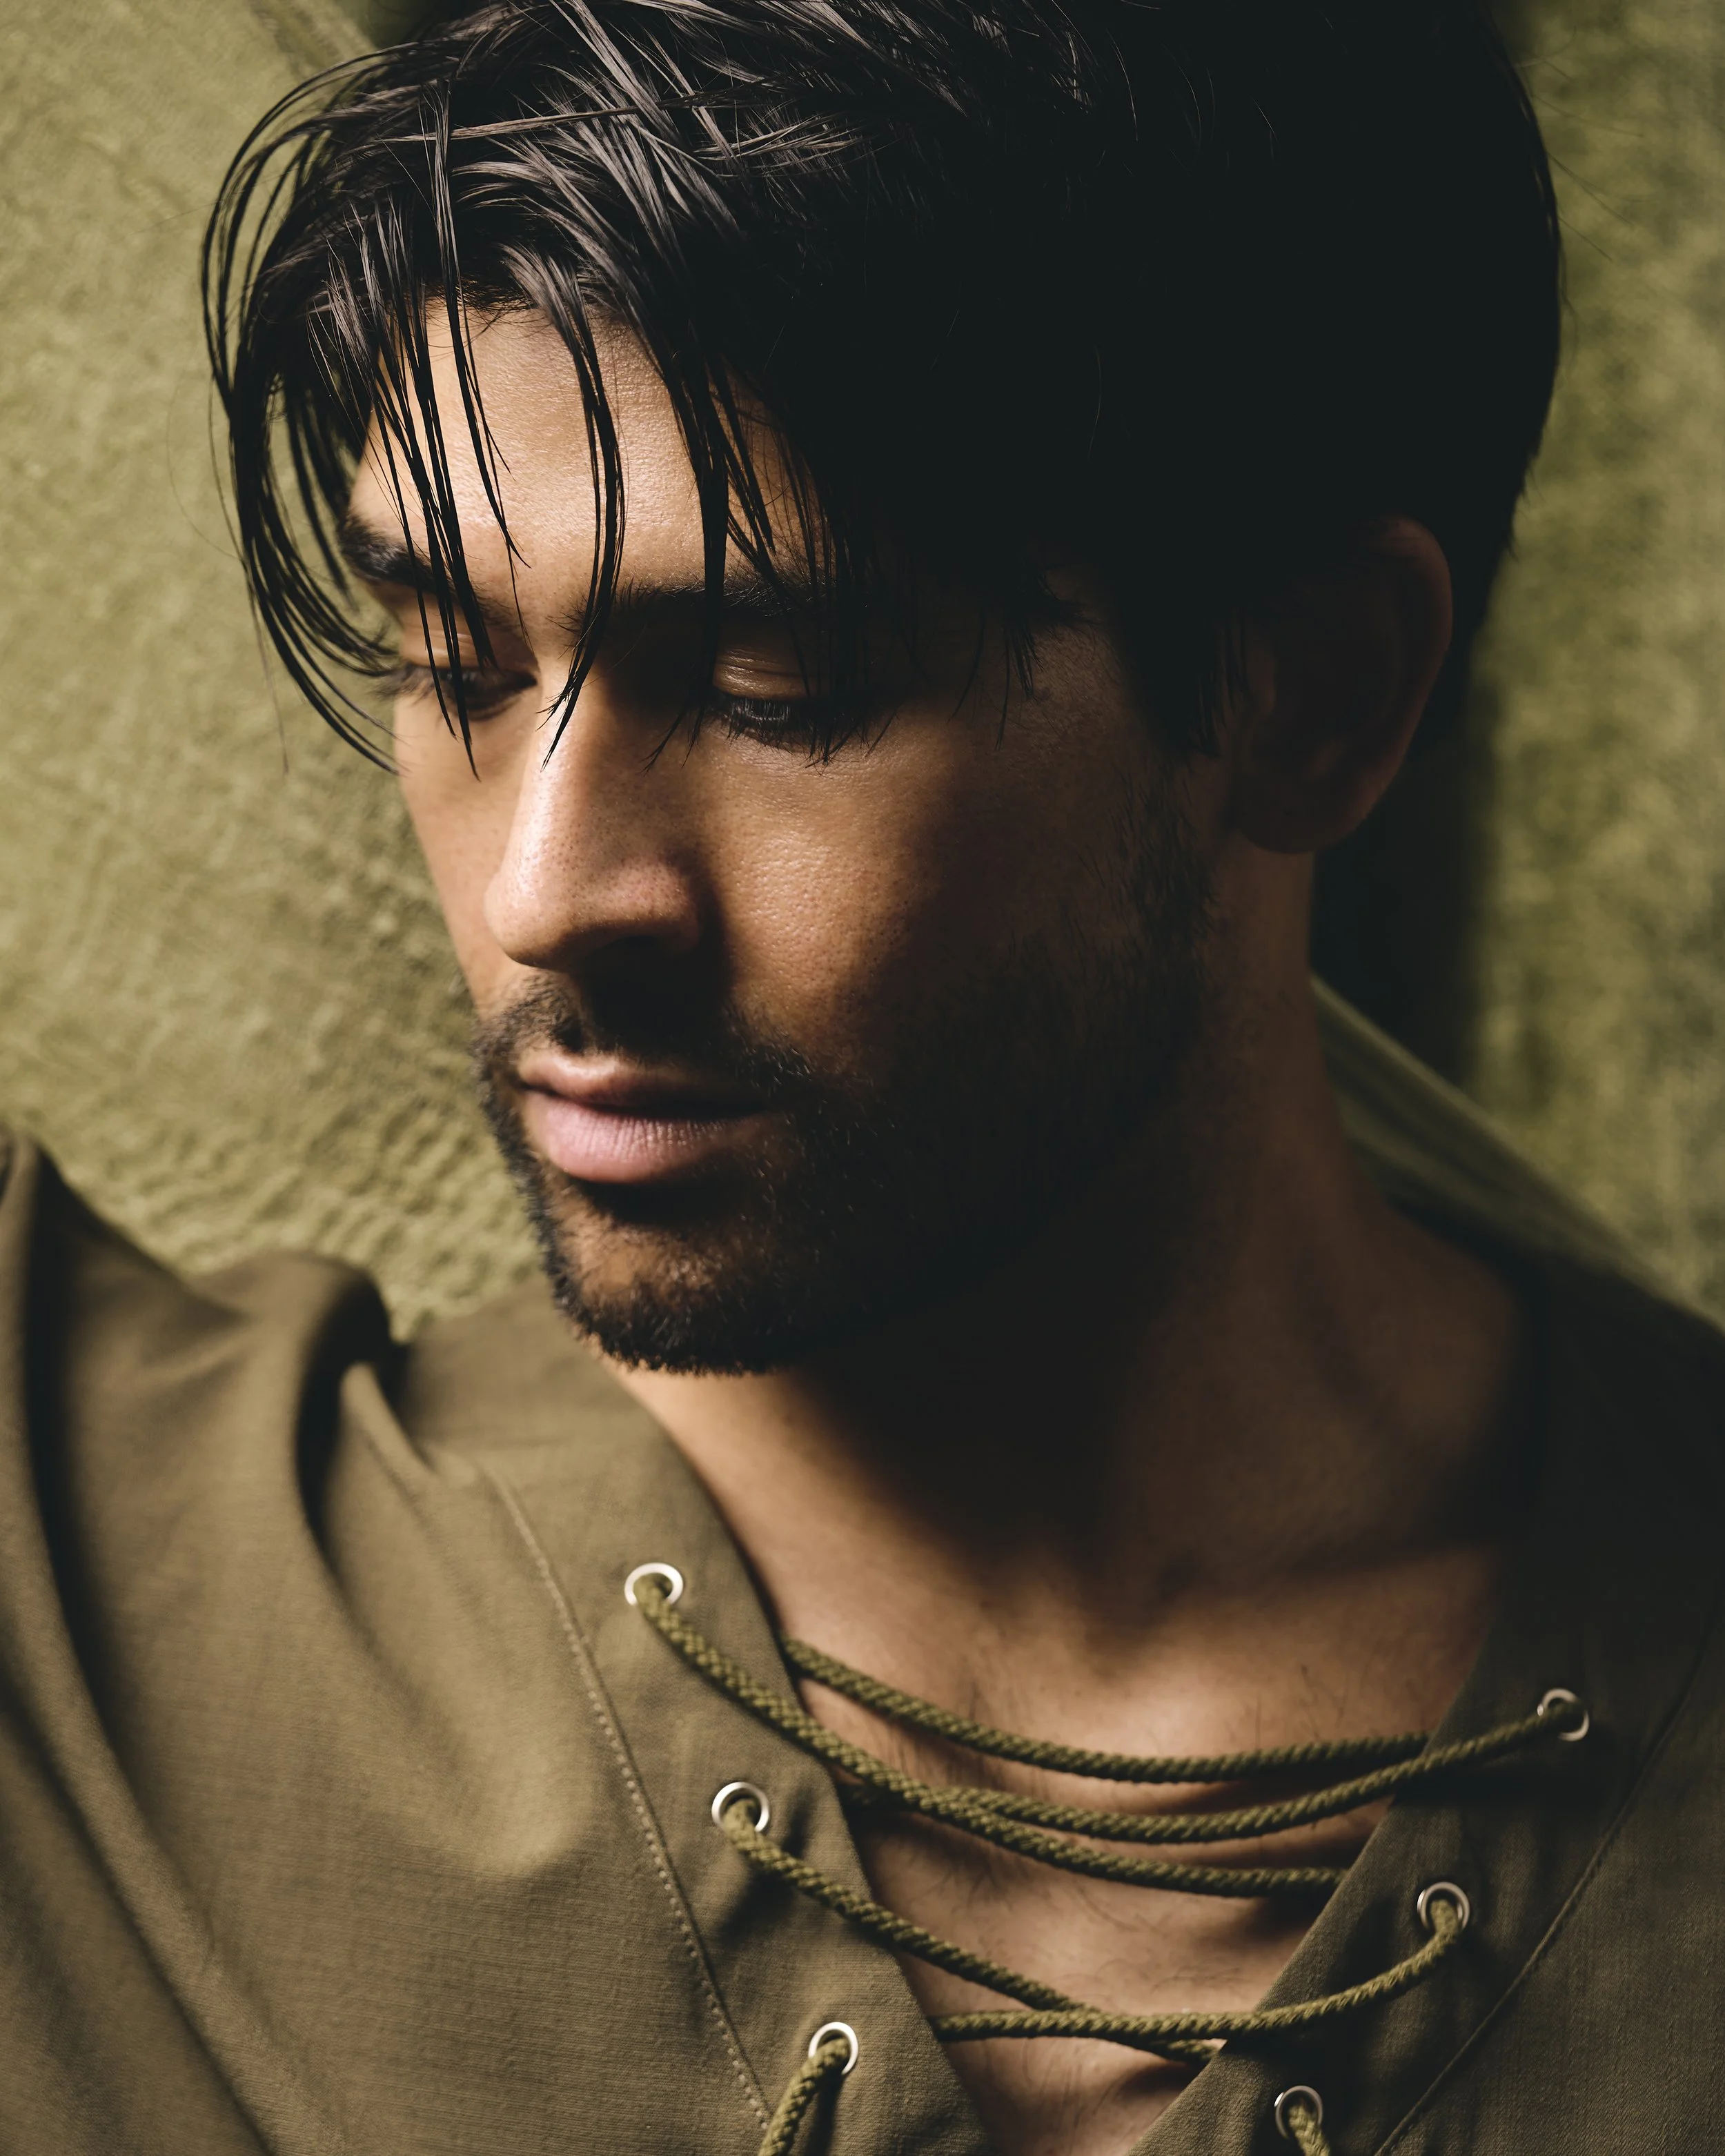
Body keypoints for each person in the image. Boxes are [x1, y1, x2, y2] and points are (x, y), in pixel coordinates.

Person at [3, 2, 1722, 2153]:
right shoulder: (92, 1582)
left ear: (1311, 696)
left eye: (774, 679)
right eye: (447, 654)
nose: (543, 894)